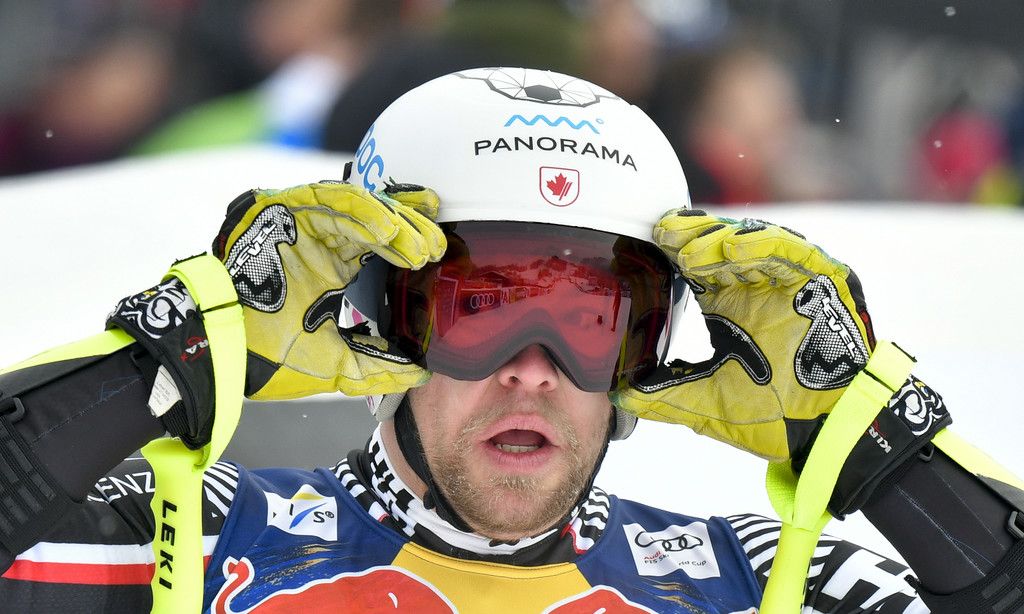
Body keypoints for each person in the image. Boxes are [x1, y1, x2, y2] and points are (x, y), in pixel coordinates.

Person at [0, 67, 1021, 613]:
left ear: (644, 351)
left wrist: (877, 448)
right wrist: (173, 357)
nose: (534, 370)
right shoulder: (204, 532)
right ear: (382, 320)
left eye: (589, 320)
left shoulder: (758, 580)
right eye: (482, 307)